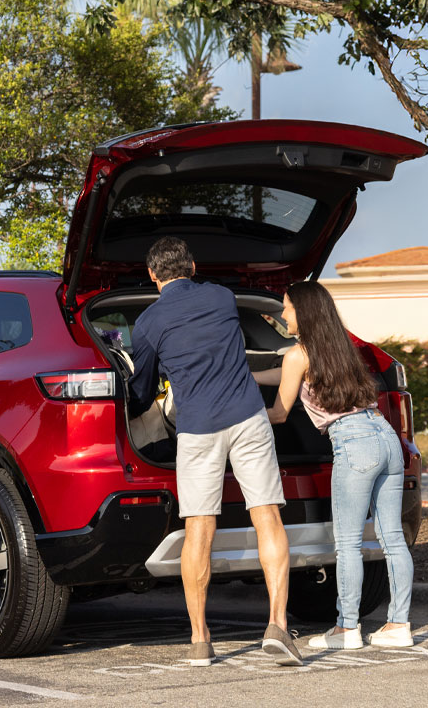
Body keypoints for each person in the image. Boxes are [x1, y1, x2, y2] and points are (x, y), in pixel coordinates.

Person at [128, 237, 301, 667]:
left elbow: (143, 388)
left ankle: (200, 639)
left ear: (152, 275)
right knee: (267, 514)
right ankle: (277, 625)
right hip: (248, 416)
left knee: (199, 529)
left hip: (197, 428)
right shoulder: (222, 296)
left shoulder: (147, 323)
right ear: (192, 264)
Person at [254, 281, 414, 649]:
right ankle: (399, 625)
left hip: (353, 444)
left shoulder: (299, 354)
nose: (283, 314)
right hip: (385, 436)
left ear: (304, 311)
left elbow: (279, 413)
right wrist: (248, 376)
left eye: (287, 307)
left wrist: (242, 414)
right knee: (392, 539)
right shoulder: (341, 348)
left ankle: (347, 629)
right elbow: (286, 372)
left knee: (347, 544)